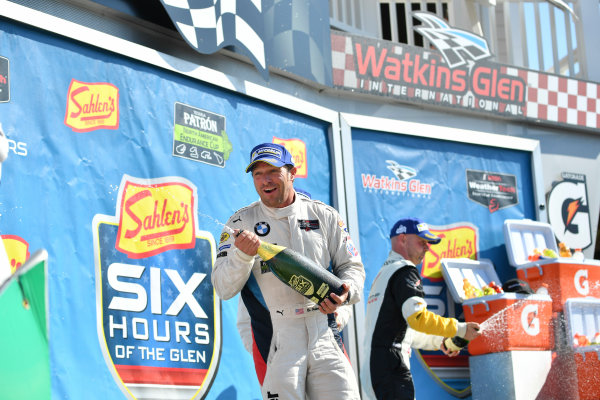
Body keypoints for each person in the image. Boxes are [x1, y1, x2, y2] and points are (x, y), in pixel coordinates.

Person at [212, 142, 365, 400]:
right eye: (257, 174)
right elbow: (223, 288)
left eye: (273, 171)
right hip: (277, 336)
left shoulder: (324, 215)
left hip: (324, 332)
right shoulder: (239, 222)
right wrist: (242, 256)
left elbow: (353, 269)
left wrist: (344, 296)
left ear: (292, 172)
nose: (265, 180)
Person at [361, 217, 481, 400]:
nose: (427, 248)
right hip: (391, 368)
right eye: (422, 242)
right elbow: (419, 319)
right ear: (402, 239)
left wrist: (439, 342)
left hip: (377, 368)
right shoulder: (404, 270)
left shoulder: (385, 272)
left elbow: (404, 332)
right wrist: (461, 328)